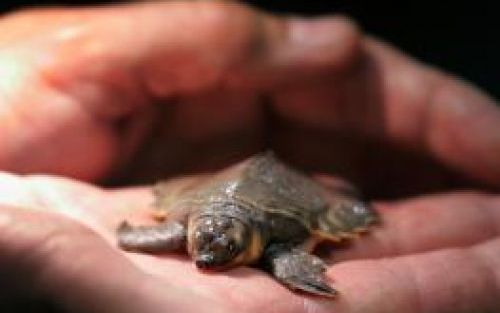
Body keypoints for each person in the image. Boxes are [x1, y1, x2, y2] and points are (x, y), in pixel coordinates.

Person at [0, 1, 499, 312]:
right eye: (203, 246)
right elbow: (162, 234)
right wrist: (130, 237)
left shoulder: (276, 242)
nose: (205, 258)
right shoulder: (187, 227)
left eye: (218, 250)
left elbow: (283, 249)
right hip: (215, 189)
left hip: (289, 196)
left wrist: (291, 262)